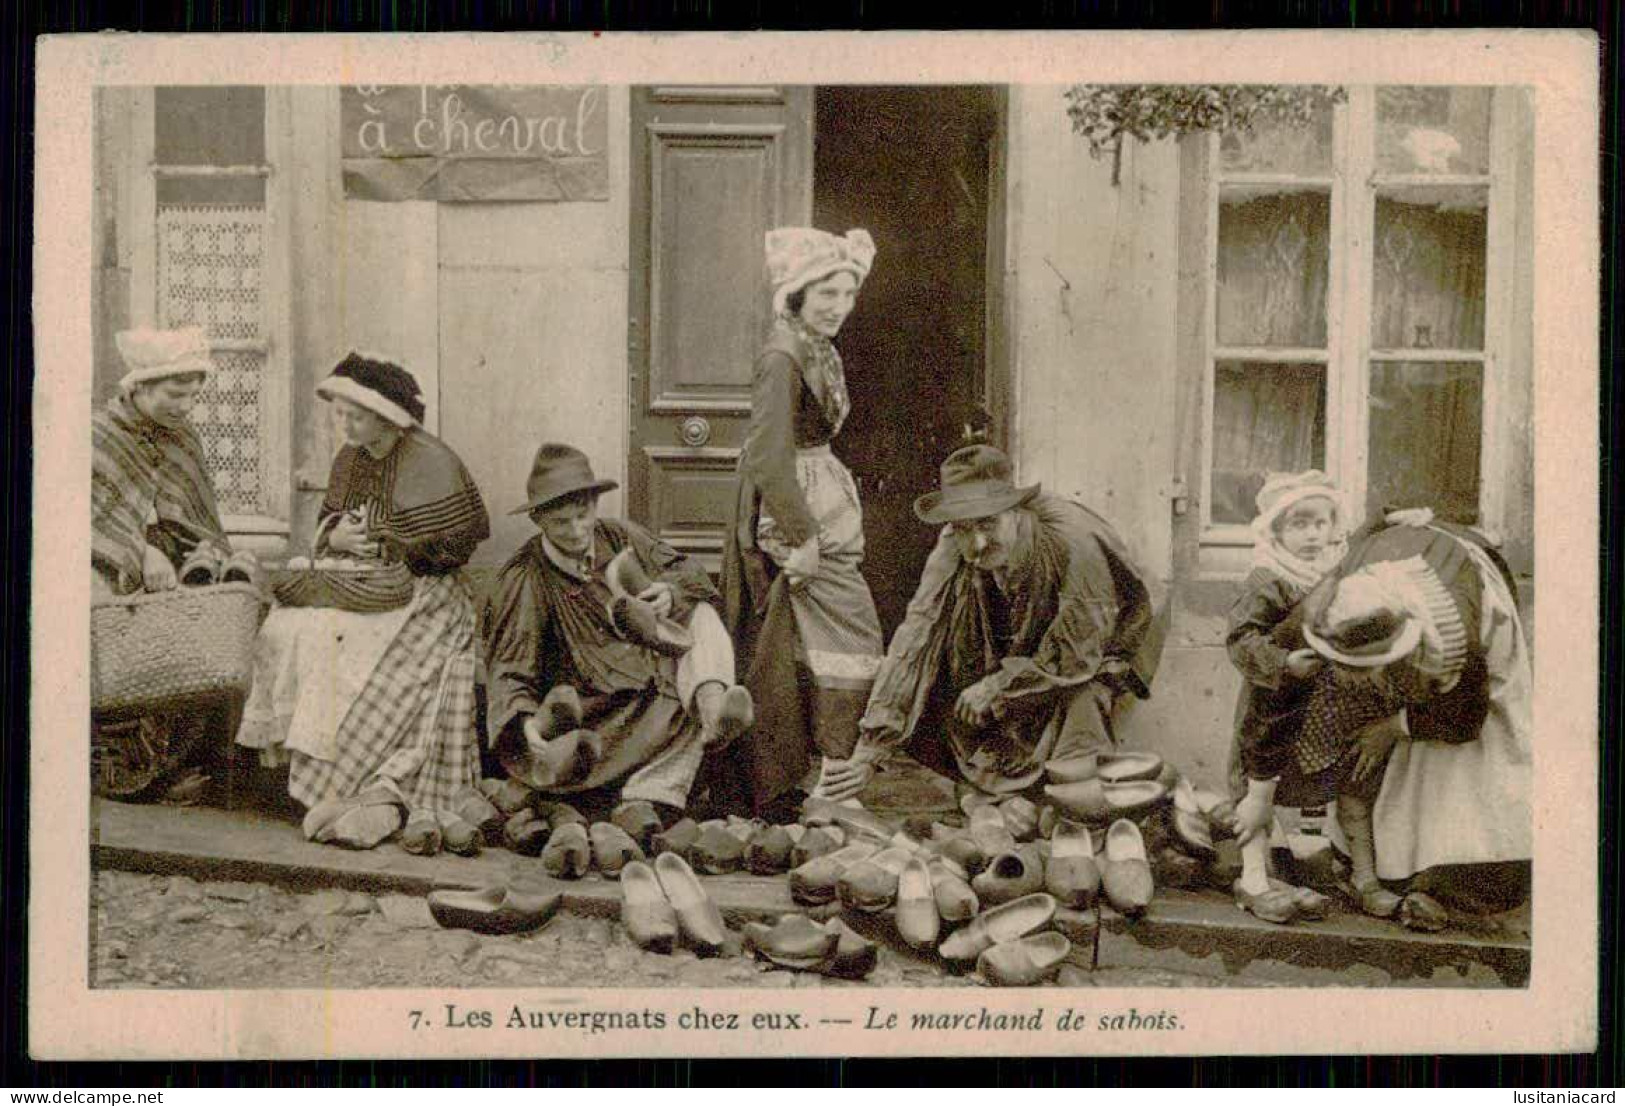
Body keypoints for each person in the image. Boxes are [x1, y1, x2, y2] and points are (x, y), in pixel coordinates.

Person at [236, 353, 491, 855]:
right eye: (341, 414)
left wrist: (392, 544)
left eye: (355, 415)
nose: (344, 424)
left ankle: (346, 785)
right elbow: (330, 523)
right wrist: (339, 537)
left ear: (387, 417)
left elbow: (462, 538)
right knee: (289, 629)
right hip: (356, 584)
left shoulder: (431, 459)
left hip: (425, 591)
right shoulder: (350, 458)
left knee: (350, 645)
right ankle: (296, 776)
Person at [1231, 509, 1533, 930]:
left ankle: (1434, 872)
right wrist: (1259, 795)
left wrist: (1397, 726)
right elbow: (1271, 700)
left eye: (1366, 668)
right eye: (1343, 666)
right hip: (1395, 556)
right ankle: (1314, 868)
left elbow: (1467, 717)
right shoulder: (1326, 606)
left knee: (1463, 773)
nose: (1351, 679)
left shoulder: (1453, 642)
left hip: (1455, 574)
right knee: (1311, 711)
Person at [826, 444, 1163, 809]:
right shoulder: (956, 541)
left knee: (1083, 702)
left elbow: (1074, 658)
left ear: (1016, 512)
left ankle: (1077, 815)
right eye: (963, 529)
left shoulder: (1073, 543)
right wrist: (870, 749)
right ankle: (997, 795)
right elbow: (917, 635)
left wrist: (998, 686)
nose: (977, 543)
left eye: (988, 523)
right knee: (945, 681)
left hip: (1111, 633)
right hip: (1035, 632)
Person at [482, 443, 755, 828]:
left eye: (583, 514)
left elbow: (687, 571)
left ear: (595, 504)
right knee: (600, 734)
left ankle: (713, 710)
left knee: (701, 613)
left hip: (650, 669)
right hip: (593, 700)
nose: (577, 531)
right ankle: (642, 796)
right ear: (540, 521)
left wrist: (670, 592)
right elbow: (511, 664)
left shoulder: (619, 536)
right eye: (562, 523)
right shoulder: (525, 577)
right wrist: (524, 721)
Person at [717, 227, 886, 818]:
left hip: (819, 498)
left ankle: (821, 783)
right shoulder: (783, 355)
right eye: (825, 296)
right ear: (796, 296)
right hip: (796, 509)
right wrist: (804, 537)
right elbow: (768, 455)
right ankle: (824, 783)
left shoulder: (813, 345)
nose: (839, 307)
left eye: (847, 294)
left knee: (805, 645)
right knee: (850, 639)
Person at [1223, 470, 1347, 921]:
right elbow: (1241, 639)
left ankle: (1292, 870)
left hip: (1319, 701)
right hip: (1272, 697)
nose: (1313, 534)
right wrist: (1281, 663)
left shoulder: (1333, 574)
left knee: (1306, 779)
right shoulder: (1269, 578)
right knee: (1256, 780)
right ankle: (1253, 875)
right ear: (1276, 530)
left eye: (1321, 523)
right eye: (1299, 524)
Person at [92, 325, 245, 597]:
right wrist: (142, 552)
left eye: (194, 395)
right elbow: (86, 525)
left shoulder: (184, 437)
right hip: (112, 573)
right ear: (140, 386)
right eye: (175, 395)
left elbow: (198, 526)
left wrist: (205, 555)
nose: (186, 406)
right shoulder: (99, 436)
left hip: (183, 578)